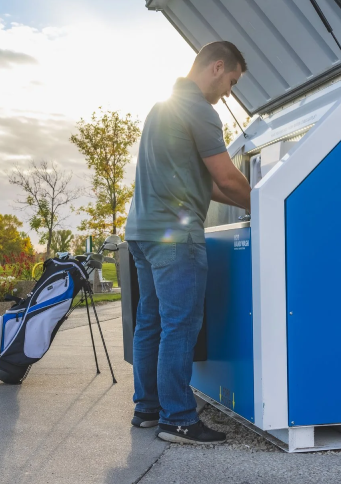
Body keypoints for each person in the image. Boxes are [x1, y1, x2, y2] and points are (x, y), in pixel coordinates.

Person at [126, 41, 252, 445]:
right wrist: (271, 205)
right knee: (179, 326)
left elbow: (207, 184)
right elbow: (229, 178)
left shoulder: (162, 107)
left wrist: (241, 199)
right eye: (231, 81)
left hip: (142, 233)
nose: (228, 92)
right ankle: (178, 419)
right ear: (217, 67)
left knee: (152, 322)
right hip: (175, 238)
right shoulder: (200, 110)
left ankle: (147, 409)